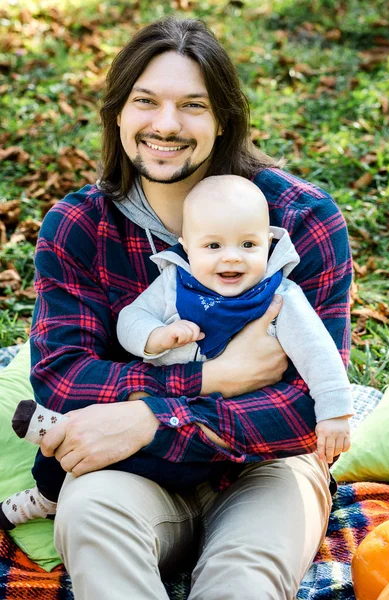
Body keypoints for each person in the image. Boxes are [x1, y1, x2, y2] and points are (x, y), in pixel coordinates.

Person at [4, 16, 353, 599]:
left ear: (223, 118)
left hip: (265, 468)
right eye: (146, 101)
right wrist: (216, 375)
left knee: (243, 581)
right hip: (131, 472)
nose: (166, 125)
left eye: (193, 105)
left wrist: (151, 416)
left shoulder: (299, 219)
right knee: (88, 518)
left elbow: (307, 406)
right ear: (118, 112)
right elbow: (63, 382)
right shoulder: (80, 227)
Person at [0, 175, 352, 531]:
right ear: (187, 246)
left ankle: (53, 480)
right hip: (172, 406)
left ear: (270, 242)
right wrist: (155, 337)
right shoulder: (175, 282)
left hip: (220, 433)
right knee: (82, 450)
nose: (231, 258)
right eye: (213, 246)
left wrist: (336, 411)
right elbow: (130, 319)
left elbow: (319, 354)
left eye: (248, 245)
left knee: (143, 456)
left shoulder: (279, 298)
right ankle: (47, 494)